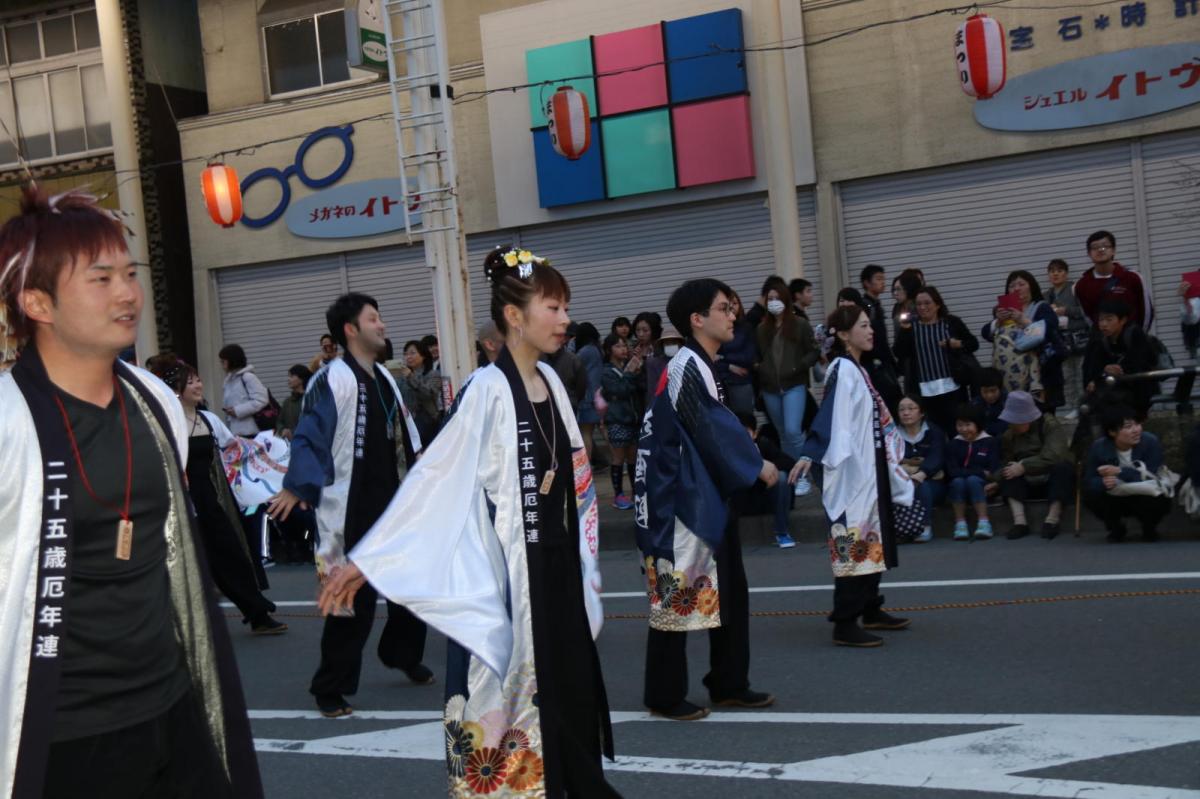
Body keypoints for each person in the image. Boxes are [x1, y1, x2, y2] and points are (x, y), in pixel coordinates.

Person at [319, 247, 618, 797]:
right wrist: (366, 563)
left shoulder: (550, 381)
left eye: (564, 307)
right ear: (513, 316)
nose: (564, 318)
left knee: (568, 686)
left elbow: (575, 477)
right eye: (552, 307)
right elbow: (436, 480)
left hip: (557, 565)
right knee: (512, 695)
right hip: (511, 574)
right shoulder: (487, 390)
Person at [0, 185, 261, 797]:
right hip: (64, 729)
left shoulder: (156, 402)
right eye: (99, 278)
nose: (127, 293)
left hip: (174, 701)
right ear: (37, 301)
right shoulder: (9, 422)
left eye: (128, 272)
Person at [267, 292, 432, 718]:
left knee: (411, 586)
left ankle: (400, 653)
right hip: (349, 504)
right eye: (373, 318)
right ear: (351, 329)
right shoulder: (333, 377)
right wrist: (298, 484)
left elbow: (409, 437)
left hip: (392, 500)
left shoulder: (385, 377)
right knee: (349, 597)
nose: (382, 325)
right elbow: (310, 432)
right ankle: (330, 687)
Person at [636, 278, 778, 720]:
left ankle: (729, 682)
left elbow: (715, 427)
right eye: (723, 308)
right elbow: (711, 431)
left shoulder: (699, 364)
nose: (733, 314)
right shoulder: (687, 368)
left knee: (731, 591)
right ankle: (663, 694)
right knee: (677, 598)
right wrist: (757, 467)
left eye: (732, 307)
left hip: (703, 497)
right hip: (681, 503)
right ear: (697, 320)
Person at [795, 305, 915, 647]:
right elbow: (831, 414)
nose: (871, 330)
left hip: (867, 466)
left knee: (872, 538)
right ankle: (845, 622)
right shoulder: (843, 369)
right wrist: (812, 450)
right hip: (852, 471)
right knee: (855, 542)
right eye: (863, 326)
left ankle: (870, 607)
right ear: (844, 335)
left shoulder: (857, 369)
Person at [152, 358, 288, 633]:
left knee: (231, 554)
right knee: (181, 564)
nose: (199, 385)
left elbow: (234, 446)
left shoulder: (209, 419)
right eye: (191, 382)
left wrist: (269, 448)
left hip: (212, 498)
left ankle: (258, 613)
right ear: (175, 388)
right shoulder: (165, 422)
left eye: (198, 379)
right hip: (179, 502)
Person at [893, 285, 979, 434]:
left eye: (927, 303)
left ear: (937, 304)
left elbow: (973, 343)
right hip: (923, 389)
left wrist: (957, 344)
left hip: (952, 386)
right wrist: (904, 331)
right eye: (919, 304)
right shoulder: (911, 326)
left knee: (955, 429)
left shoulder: (951, 322)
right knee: (932, 432)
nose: (922, 307)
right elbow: (899, 352)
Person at [1083, 405, 1171, 542]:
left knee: (1160, 497)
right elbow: (1089, 480)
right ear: (1112, 432)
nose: (1136, 430)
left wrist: (1119, 472)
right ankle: (1116, 528)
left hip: (1144, 494)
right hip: (1115, 496)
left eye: (1137, 424)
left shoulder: (1150, 442)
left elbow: (1152, 476)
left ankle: (1149, 527)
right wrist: (1102, 482)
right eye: (1128, 427)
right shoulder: (1099, 447)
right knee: (1091, 495)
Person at [755, 277, 818, 468]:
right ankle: (791, 468)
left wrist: (799, 366)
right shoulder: (761, 329)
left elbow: (814, 350)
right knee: (782, 432)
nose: (773, 302)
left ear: (786, 299)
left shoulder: (799, 324)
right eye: (770, 299)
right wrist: (760, 368)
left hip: (794, 384)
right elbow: (756, 356)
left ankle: (800, 472)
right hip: (770, 387)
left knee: (792, 430)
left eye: (777, 298)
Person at [995, 391, 1074, 540]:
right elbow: (1006, 461)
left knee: (1063, 468)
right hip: (1026, 482)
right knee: (1008, 472)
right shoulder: (1009, 436)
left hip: (1050, 476)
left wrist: (1024, 465)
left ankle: (1052, 519)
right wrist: (996, 480)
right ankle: (1020, 522)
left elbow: (1054, 455)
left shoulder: (1049, 425)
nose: (1014, 425)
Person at [981, 270, 1064, 405]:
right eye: (1012, 285)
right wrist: (998, 321)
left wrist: (1024, 320)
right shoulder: (1003, 311)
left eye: (1021, 284)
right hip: (1008, 374)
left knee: (1041, 413)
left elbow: (1050, 328)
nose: (1016, 288)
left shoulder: (1041, 307)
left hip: (1039, 371)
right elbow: (985, 333)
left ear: (1031, 286)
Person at [1082, 298, 1158, 420]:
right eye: (1101, 319)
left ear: (1122, 320)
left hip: (1139, 388)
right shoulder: (1099, 338)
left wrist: (1120, 369)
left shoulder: (1134, 333)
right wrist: (1104, 370)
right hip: (1114, 387)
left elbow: (1140, 361)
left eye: (1109, 319)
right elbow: (1091, 366)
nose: (1104, 324)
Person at [737, 412, 798, 548]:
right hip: (742, 502)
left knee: (782, 476)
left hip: (767, 498)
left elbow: (789, 463)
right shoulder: (728, 451)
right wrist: (754, 467)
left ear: (755, 434)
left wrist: (767, 467)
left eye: (745, 433)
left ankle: (782, 533)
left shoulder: (763, 445)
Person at [1073, 230, 1154, 330]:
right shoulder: (1082, 285)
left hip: (1132, 340)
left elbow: (1146, 312)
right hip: (1103, 342)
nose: (1100, 250)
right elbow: (1088, 317)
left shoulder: (1133, 277)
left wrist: (1139, 338)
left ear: (1113, 250)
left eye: (1105, 246)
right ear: (1089, 253)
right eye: (1095, 247)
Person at [946, 403, 1000, 541]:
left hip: (983, 486)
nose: (964, 429)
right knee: (958, 482)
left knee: (973, 480)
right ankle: (960, 523)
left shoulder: (990, 442)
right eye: (959, 425)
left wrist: (979, 474)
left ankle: (983, 522)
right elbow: (952, 470)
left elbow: (992, 469)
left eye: (968, 424)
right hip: (960, 484)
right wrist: (979, 472)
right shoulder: (953, 444)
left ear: (978, 424)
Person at [601, 333, 643, 511]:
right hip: (617, 419)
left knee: (633, 457)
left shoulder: (629, 366)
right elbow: (620, 390)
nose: (623, 349)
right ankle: (618, 495)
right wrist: (629, 373)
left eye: (624, 345)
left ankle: (635, 492)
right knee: (618, 458)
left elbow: (635, 389)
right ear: (609, 350)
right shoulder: (606, 371)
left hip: (633, 419)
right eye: (618, 346)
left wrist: (634, 371)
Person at [897, 394, 946, 544]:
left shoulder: (933, 432)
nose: (906, 413)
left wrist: (922, 473)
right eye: (901, 409)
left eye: (911, 408)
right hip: (901, 481)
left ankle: (925, 526)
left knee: (922, 486)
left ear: (922, 412)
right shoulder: (893, 435)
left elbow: (937, 457)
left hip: (933, 482)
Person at [1047, 258, 1089, 418]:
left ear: (1066, 273)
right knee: (1067, 376)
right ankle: (1074, 407)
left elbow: (1085, 311)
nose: (1055, 274)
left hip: (1078, 337)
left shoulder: (1074, 289)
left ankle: (1086, 405)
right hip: (1060, 340)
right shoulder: (1047, 295)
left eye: (1059, 270)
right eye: (1052, 271)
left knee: (1081, 372)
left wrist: (1066, 311)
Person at [392, 339, 442, 445]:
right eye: (406, 354)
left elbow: (428, 393)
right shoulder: (402, 377)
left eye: (412, 353)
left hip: (428, 423)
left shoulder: (433, 374)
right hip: (408, 422)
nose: (408, 357)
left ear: (423, 355)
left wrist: (411, 376)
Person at [717, 289, 758, 417]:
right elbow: (711, 358)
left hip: (741, 382)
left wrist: (723, 358)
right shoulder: (717, 329)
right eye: (728, 304)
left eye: (735, 303)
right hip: (721, 380)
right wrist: (729, 366)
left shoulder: (746, 328)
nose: (732, 307)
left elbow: (749, 357)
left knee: (744, 420)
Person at [218, 343, 269, 437]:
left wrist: (237, 411)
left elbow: (261, 400)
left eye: (223, 361)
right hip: (235, 432)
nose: (221, 364)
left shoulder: (248, 377)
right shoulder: (228, 380)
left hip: (252, 431)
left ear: (232, 360)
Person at [574, 322, 604, 462]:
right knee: (602, 430)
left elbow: (573, 364)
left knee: (586, 433)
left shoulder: (585, 351)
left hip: (587, 397)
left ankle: (587, 464)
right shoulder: (597, 349)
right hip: (598, 395)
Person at [277, 364, 312, 440]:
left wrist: (293, 432)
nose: (288, 379)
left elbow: (311, 424)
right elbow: (279, 422)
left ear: (301, 379)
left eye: (292, 376)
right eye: (288, 376)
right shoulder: (287, 402)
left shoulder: (310, 400)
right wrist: (282, 430)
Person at [971, 367, 1009, 437]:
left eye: (993, 390)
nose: (989, 395)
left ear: (1000, 388)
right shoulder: (975, 403)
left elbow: (1007, 423)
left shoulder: (1007, 401)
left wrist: (986, 429)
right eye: (985, 391)